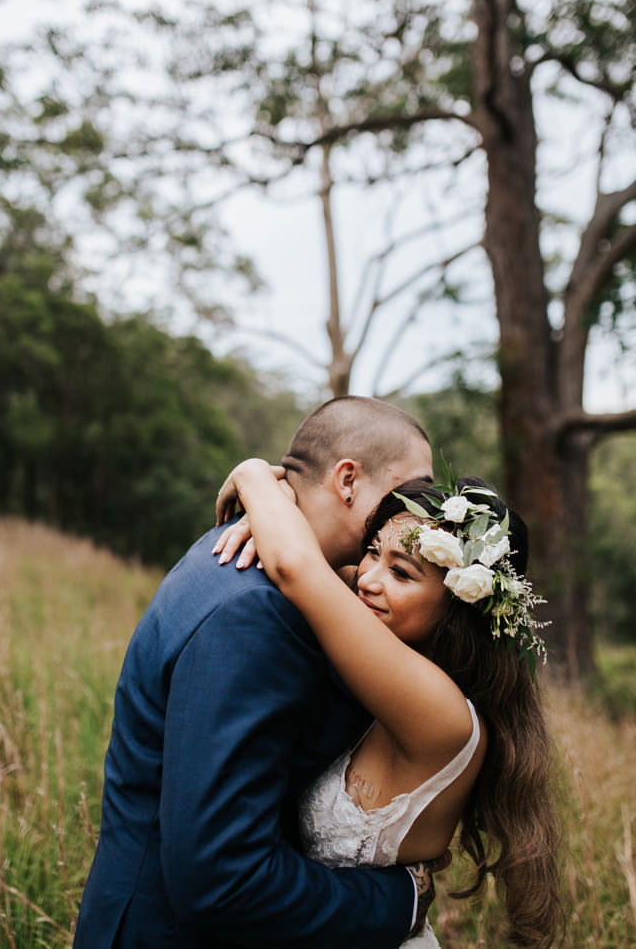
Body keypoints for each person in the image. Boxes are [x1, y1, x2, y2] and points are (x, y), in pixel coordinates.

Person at [73, 396, 437, 949]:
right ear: (347, 481)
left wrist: (257, 478)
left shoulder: (248, 549)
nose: (424, 509)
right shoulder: (257, 610)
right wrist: (397, 901)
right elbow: (223, 879)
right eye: (411, 489)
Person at [211, 460, 561, 947]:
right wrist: (278, 512)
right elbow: (326, 561)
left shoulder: (440, 709)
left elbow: (298, 567)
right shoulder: (392, 653)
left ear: (460, 606)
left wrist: (252, 476)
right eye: (372, 552)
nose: (368, 579)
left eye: (400, 572)